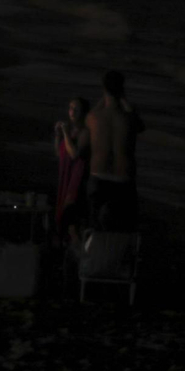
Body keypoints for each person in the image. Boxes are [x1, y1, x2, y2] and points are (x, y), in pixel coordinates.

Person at [85, 70, 140, 231]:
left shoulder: (93, 117)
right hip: (123, 177)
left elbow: (91, 114)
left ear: (103, 88)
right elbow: (140, 125)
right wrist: (123, 98)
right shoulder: (129, 118)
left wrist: (105, 95)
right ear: (122, 89)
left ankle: (96, 254)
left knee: (96, 228)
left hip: (98, 175)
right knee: (124, 228)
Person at [53, 96, 91, 245]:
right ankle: (69, 250)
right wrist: (58, 136)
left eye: (76, 109)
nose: (72, 112)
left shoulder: (85, 132)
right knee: (66, 220)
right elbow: (60, 153)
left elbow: (74, 153)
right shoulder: (71, 130)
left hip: (77, 179)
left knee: (71, 218)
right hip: (66, 177)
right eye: (70, 108)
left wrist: (65, 133)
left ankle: (79, 253)